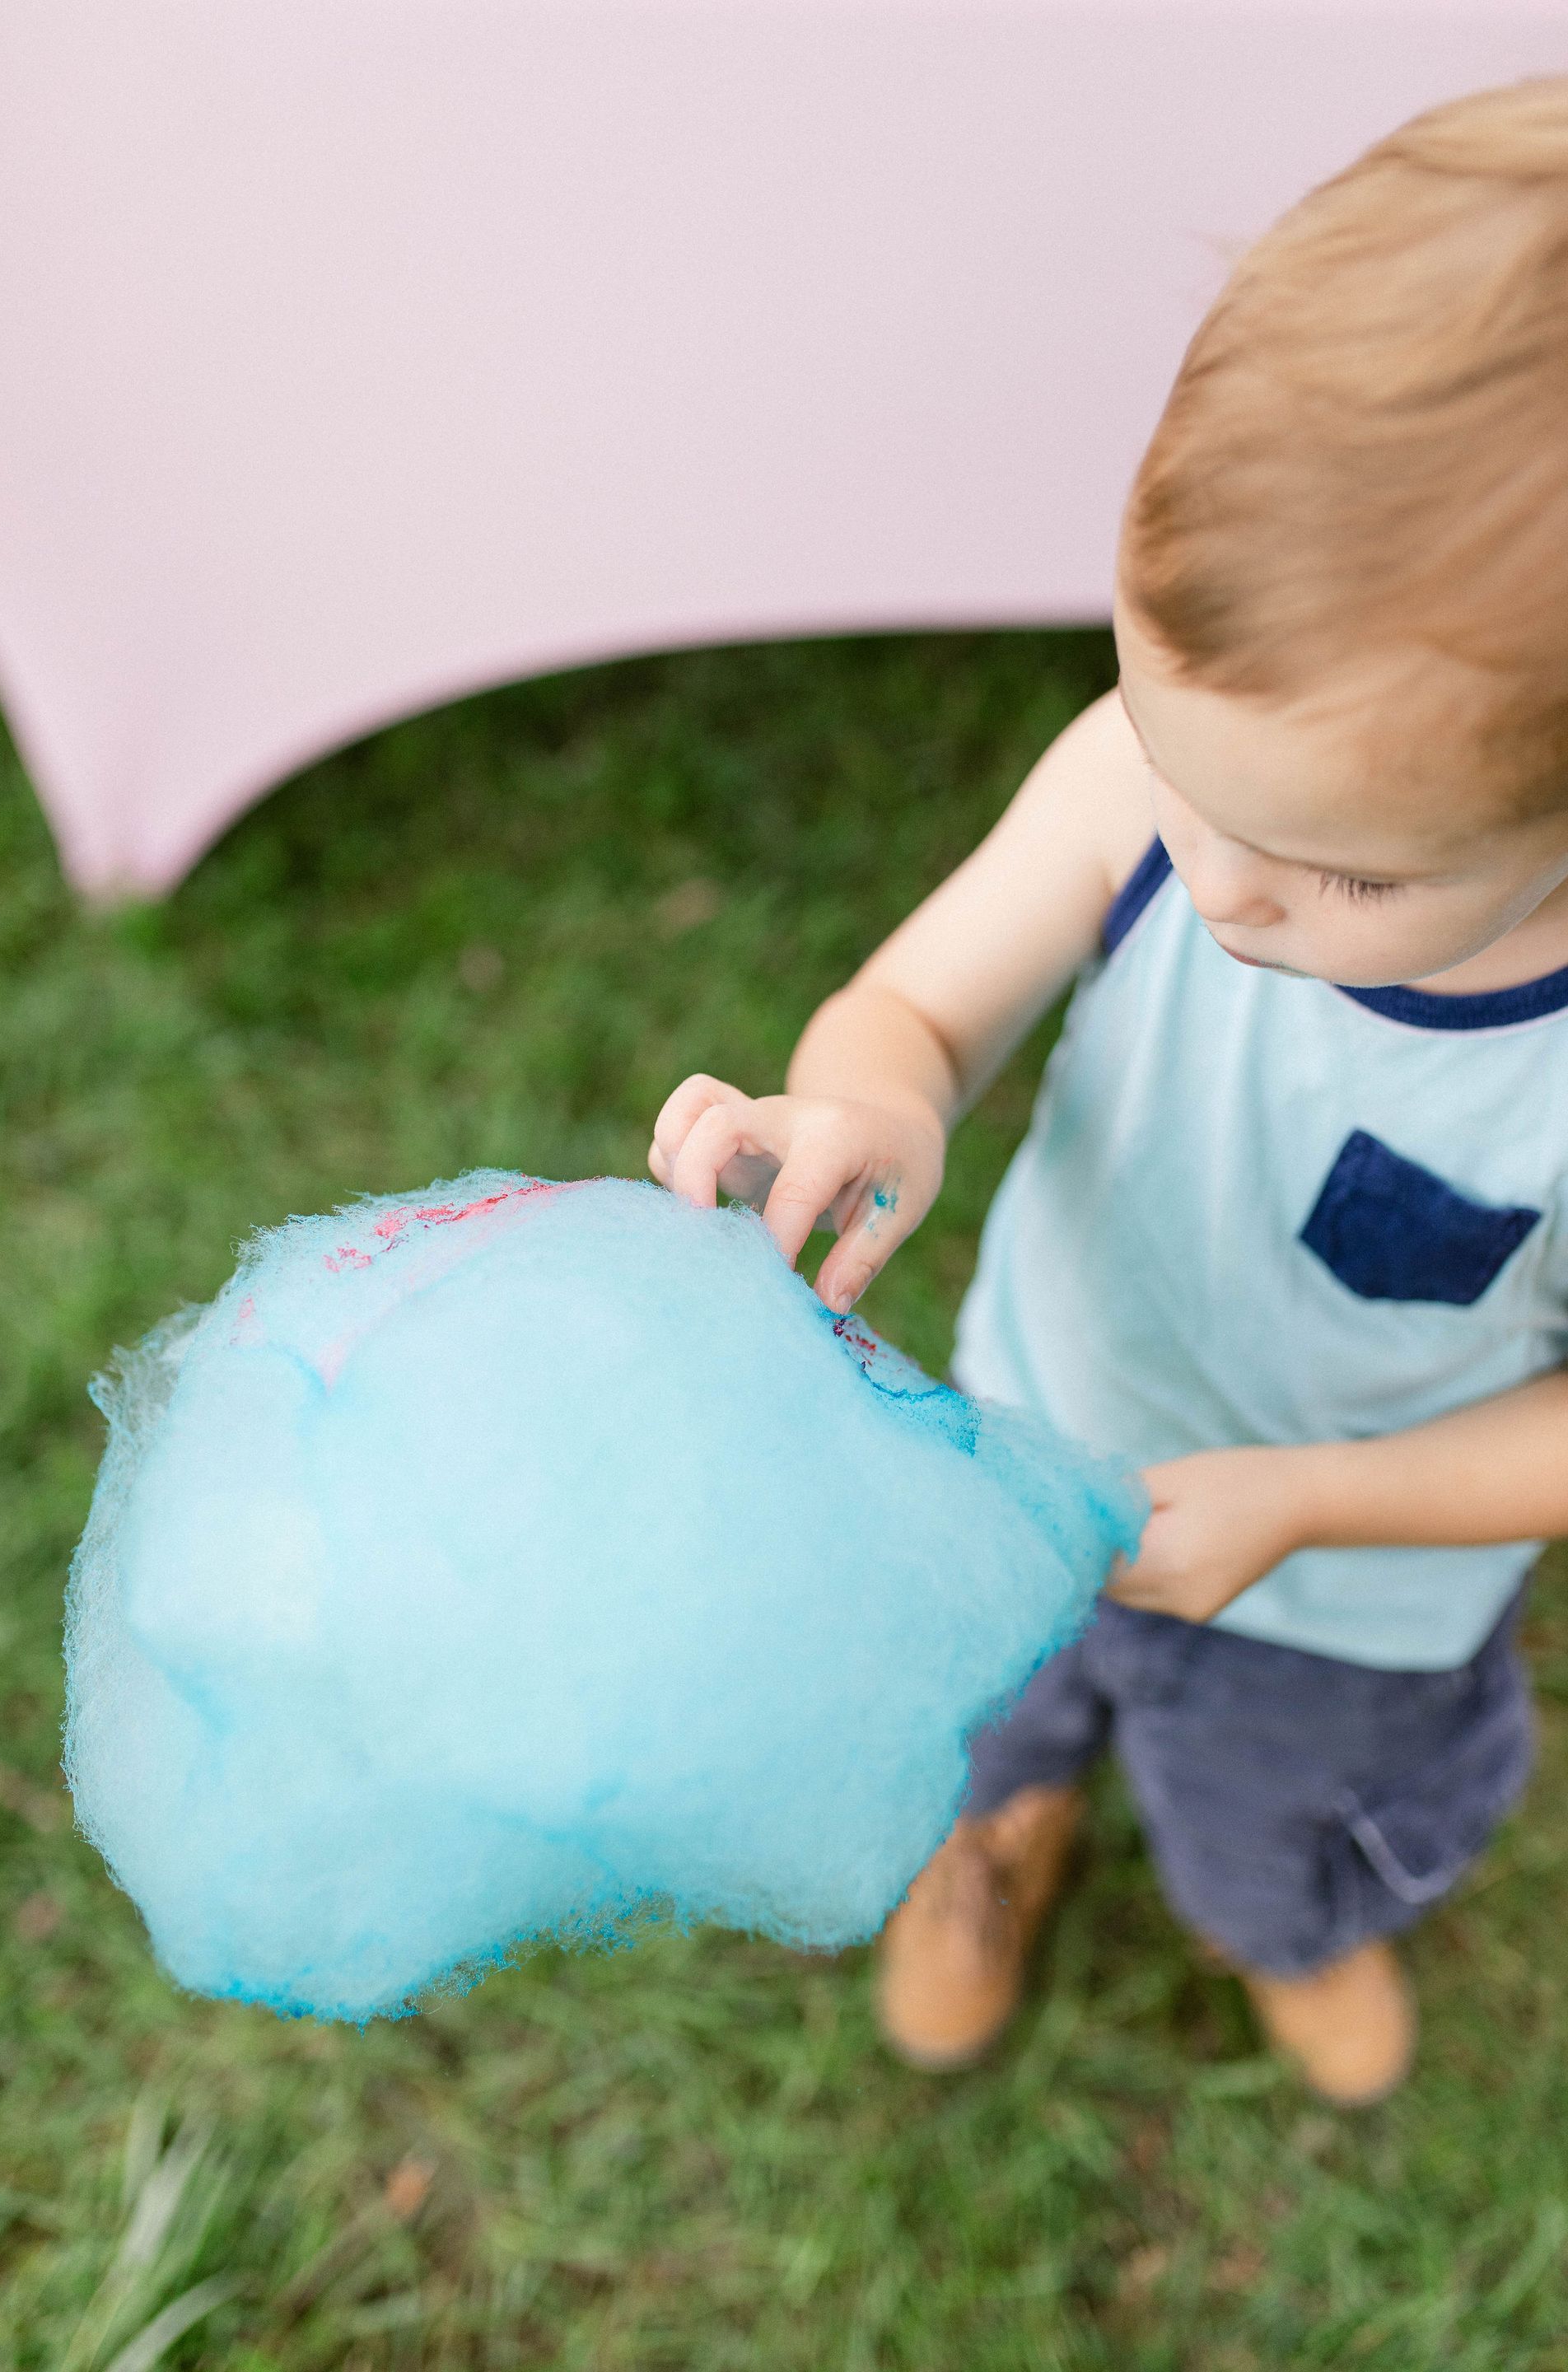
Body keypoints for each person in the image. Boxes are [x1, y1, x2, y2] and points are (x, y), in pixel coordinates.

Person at [648, 77, 1568, 2106]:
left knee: (1280, 1794)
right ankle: (999, 1830)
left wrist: (1312, 1502)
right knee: (991, 1696)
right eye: (1176, 759)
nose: (1217, 888)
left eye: (1340, 874)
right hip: (1028, 1426)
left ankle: (1285, 1909)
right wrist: (872, 1107)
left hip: (1351, 1586)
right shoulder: (1164, 782)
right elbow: (920, 1004)